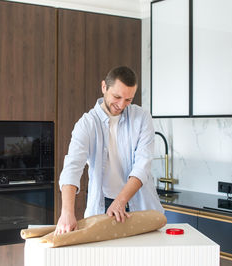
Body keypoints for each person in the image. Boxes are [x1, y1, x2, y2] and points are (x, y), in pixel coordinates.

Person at [55, 66, 164, 235]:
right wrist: (67, 213)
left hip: (140, 203)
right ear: (104, 87)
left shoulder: (142, 118)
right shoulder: (87, 124)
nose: (121, 105)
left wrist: (121, 200)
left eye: (128, 99)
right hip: (103, 205)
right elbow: (72, 167)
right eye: (117, 96)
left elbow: (142, 166)